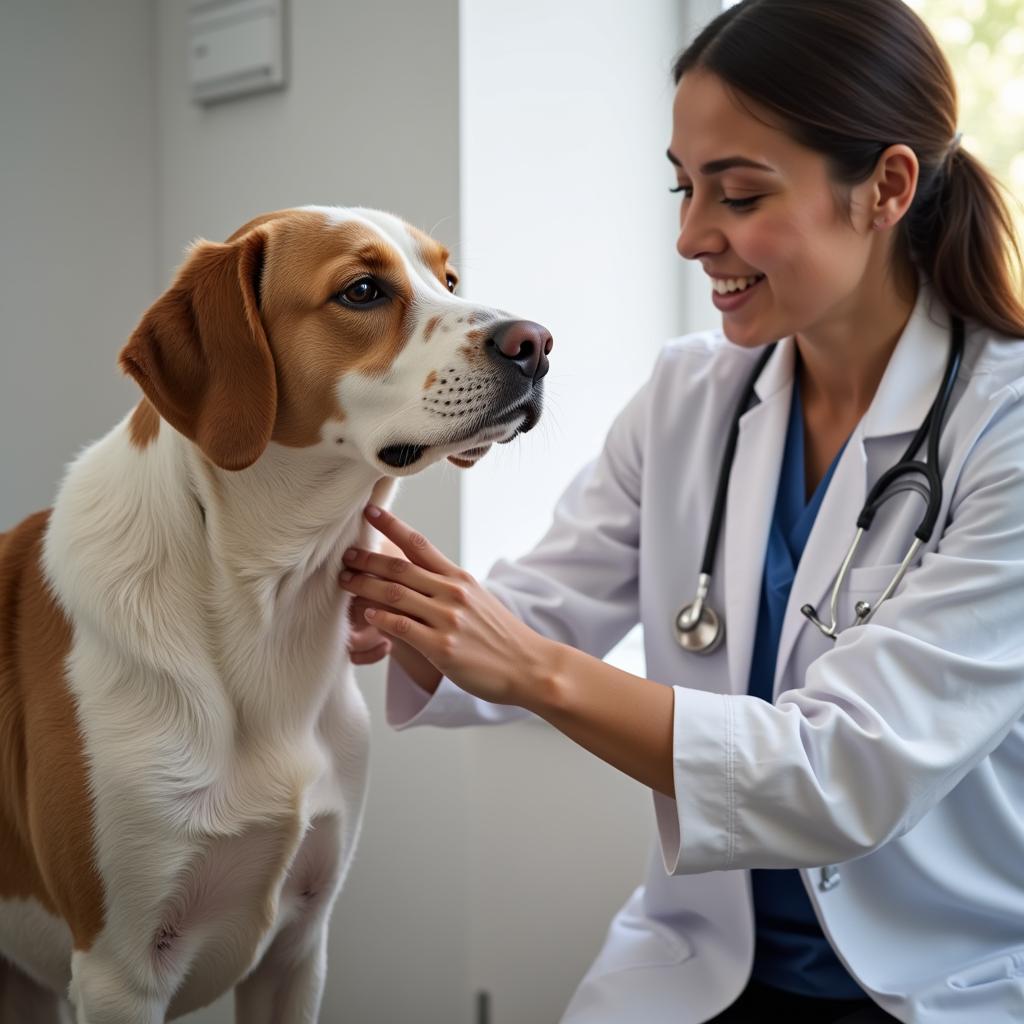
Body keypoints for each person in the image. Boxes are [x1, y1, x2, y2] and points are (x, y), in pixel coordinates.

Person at [340, 1, 1024, 1021]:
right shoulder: (690, 397)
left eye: (739, 193)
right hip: (698, 965)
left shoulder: (1001, 433)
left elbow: (843, 771)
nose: (691, 236)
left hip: (945, 982)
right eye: (683, 186)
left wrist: (529, 666)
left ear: (886, 187)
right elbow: (540, 608)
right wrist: (372, 597)